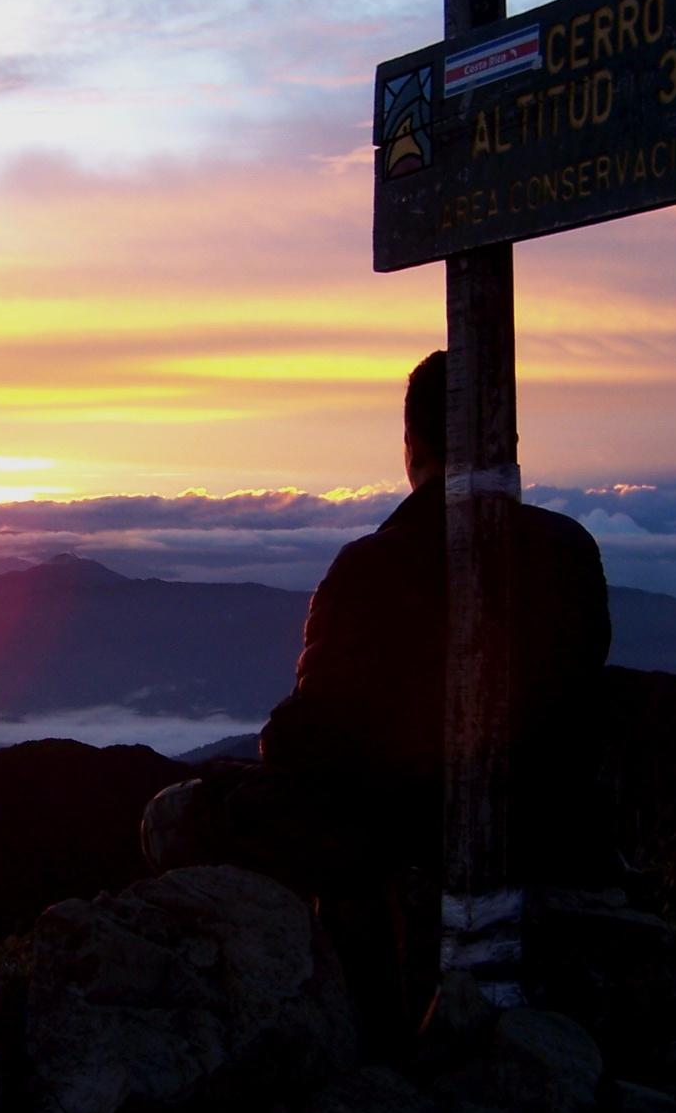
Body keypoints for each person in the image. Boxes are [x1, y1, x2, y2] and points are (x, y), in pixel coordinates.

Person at [140, 350, 610, 1052]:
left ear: (411, 445)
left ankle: (333, 1022)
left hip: (406, 835)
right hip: (552, 825)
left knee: (175, 816)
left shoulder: (372, 566)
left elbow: (307, 744)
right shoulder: (570, 548)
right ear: (509, 443)